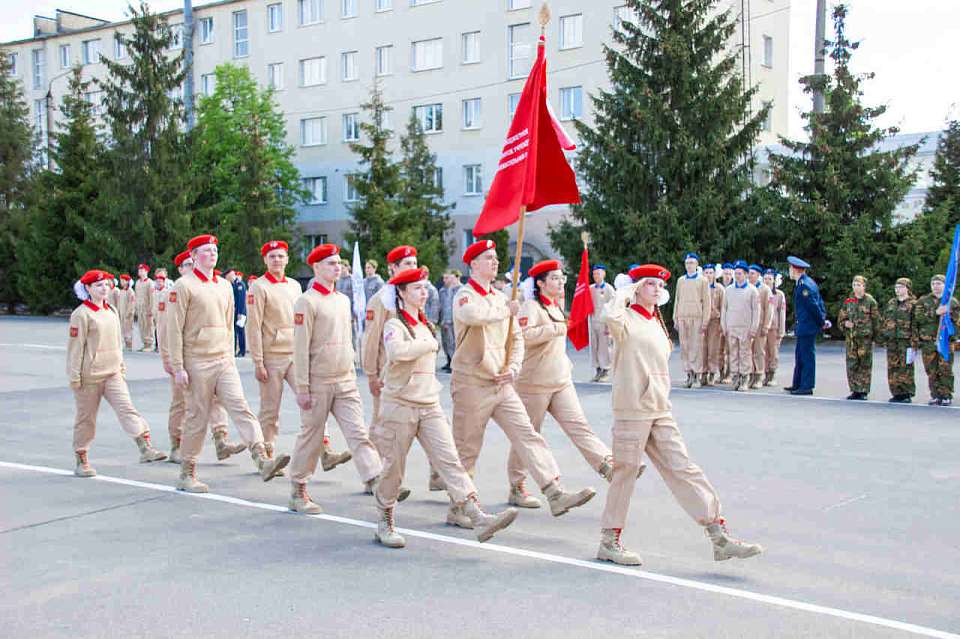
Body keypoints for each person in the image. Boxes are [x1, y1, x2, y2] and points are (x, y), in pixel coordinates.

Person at [598, 264, 762, 566]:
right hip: (632, 408)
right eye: (649, 284)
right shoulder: (626, 319)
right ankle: (610, 540)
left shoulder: (656, 321)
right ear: (635, 289)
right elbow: (608, 316)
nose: (657, 289)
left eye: (660, 285)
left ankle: (718, 534)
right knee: (625, 473)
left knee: (683, 467)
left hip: (659, 408)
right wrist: (622, 294)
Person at [449, 240, 596, 524]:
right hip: (472, 383)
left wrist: (514, 367)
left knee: (527, 434)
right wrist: (508, 310)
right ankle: (459, 506)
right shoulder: (465, 295)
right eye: (488, 258)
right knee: (467, 448)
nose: (494, 262)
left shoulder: (503, 297)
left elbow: (516, 338)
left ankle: (554, 492)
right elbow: (473, 317)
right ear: (473, 265)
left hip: (502, 382)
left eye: (495, 258)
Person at [373, 267, 518, 547]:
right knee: (394, 468)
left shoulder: (426, 325)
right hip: (400, 406)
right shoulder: (395, 326)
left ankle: (477, 515)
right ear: (401, 294)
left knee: (451, 461)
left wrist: (425, 340)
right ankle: (385, 519)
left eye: (425, 287)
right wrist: (425, 345)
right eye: (416, 288)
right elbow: (396, 352)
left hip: (429, 404)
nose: (423, 293)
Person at [167, 234, 290, 492]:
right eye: (206, 250)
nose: (212, 254)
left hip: (223, 359)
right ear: (193, 256)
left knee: (240, 407)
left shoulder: (224, 285)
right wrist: (177, 366)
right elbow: (174, 329)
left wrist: (231, 354)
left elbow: (228, 321)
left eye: (215, 250)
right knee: (197, 417)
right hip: (197, 360)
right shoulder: (183, 286)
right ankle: (187, 472)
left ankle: (262, 460)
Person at [507, 259, 624, 504]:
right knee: (529, 436)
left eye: (562, 278)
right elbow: (523, 336)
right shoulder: (531, 307)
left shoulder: (557, 304)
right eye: (554, 279)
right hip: (534, 383)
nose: (561, 283)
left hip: (560, 379)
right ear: (540, 283)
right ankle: (517, 486)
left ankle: (607, 464)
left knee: (579, 425)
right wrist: (554, 329)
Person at [289, 244, 393, 513]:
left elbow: (346, 339)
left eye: (338, 263)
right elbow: (300, 348)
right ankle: (298, 489)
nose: (337, 268)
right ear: (316, 268)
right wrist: (302, 387)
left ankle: (374, 477)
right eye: (331, 264)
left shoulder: (342, 299)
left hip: (344, 379)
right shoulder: (307, 301)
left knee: (358, 432)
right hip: (318, 381)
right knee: (311, 437)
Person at [247, 240, 352, 471]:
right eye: (272, 256)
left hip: (295, 354)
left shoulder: (295, 286)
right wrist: (258, 361)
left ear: (287, 259)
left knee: (312, 402)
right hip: (271, 357)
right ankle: (268, 455)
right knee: (270, 410)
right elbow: (253, 327)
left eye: (281, 256)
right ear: (265, 260)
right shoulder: (258, 287)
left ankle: (325, 451)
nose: (277, 260)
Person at [68, 269, 167, 477]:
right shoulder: (81, 314)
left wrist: (120, 366)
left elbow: (116, 342)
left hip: (112, 373)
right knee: (86, 419)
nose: (104, 289)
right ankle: (81, 457)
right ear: (87, 289)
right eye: (98, 286)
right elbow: (75, 348)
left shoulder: (111, 310)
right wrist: (74, 375)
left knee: (128, 410)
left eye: (106, 285)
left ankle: (145, 447)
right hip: (89, 377)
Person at [160, 250, 246, 463]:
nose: (191, 268)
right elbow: (165, 330)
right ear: (180, 270)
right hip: (181, 355)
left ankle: (221, 440)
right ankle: (177, 445)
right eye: (187, 265)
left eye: (192, 264)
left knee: (216, 399)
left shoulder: (210, 287)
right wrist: (169, 360)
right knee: (182, 404)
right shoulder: (174, 292)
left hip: (210, 356)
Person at [361, 245, 427, 491]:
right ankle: (375, 475)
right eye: (406, 264)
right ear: (392, 268)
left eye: (414, 263)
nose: (412, 268)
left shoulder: (413, 294)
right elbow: (371, 339)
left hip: (414, 375)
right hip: (386, 374)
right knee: (382, 424)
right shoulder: (381, 300)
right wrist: (371, 374)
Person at [912, 274, 959, 406]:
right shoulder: (923, 301)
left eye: (939, 284)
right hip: (928, 341)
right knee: (931, 369)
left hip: (945, 341)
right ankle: (935, 395)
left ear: (945, 285)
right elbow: (918, 318)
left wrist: (953, 337)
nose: (936, 287)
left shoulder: (952, 301)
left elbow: (956, 322)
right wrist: (935, 313)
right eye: (933, 284)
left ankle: (946, 395)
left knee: (945, 368)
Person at [784, 256, 828, 396]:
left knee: (807, 356)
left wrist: (821, 321)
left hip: (807, 326)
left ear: (795, 269)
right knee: (800, 355)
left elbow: (814, 306)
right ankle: (798, 383)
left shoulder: (804, 285)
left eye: (790, 268)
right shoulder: (804, 282)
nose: (789, 271)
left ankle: (807, 386)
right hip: (804, 325)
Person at [837, 275, 879, 400]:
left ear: (864, 286)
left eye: (859, 285)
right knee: (852, 364)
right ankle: (855, 389)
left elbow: (876, 320)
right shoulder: (849, 301)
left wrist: (876, 338)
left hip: (865, 339)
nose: (856, 287)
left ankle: (863, 390)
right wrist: (845, 324)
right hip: (851, 338)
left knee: (864, 364)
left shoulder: (870, 301)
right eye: (854, 285)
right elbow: (841, 318)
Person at [719, 261, 759, 392]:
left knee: (745, 353)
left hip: (745, 328)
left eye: (740, 273)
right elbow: (724, 309)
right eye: (735, 273)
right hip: (732, 327)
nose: (737, 276)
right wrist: (724, 325)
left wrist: (753, 328)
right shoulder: (729, 290)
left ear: (746, 274)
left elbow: (756, 311)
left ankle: (744, 378)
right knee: (733, 353)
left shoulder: (752, 290)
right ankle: (735, 377)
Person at [673, 252, 711, 388]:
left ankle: (697, 375)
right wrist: (675, 317)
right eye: (687, 263)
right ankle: (688, 373)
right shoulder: (681, 280)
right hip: (683, 317)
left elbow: (707, 302)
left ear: (697, 265)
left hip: (697, 317)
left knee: (696, 347)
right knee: (685, 346)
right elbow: (677, 300)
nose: (689, 266)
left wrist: (705, 320)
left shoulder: (703, 281)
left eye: (692, 263)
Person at [745, 265, 773, 390]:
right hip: (748, 325)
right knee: (747, 351)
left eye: (752, 273)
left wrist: (766, 326)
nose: (750, 276)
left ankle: (759, 376)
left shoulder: (765, 289)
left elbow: (769, 310)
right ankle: (750, 374)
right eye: (749, 273)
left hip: (760, 325)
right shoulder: (746, 288)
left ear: (758, 275)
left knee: (759, 351)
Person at [589, 264, 615, 382]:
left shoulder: (609, 289)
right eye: (594, 274)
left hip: (604, 323)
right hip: (593, 321)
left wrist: (610, 325)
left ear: (604, 274)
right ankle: (598, 370)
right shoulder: (591, 289)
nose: (596, 276)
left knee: (604, 347)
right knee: (594, 346)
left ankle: (605, 370)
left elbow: (613, 307)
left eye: (598, 273)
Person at [762, 269, 787, 386]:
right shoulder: (761, 292)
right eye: (765, 279)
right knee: (763, 351)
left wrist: (781, 331)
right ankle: (765, 373)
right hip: (762, 327)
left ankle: (772, 374)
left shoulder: (779, 294)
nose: (767, 281)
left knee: (773, 352)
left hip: (774, 328)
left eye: (770, 279)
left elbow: (782, 313)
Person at [701, 264, 724, 386]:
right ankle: (703, 373)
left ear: (715, 274)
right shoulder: (700, 286)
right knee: (702, 348)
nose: (708, 275)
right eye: (706, 272)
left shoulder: (719, 288)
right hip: (702, 321)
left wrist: (722, 323)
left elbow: (724, 307)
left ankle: (712, 373)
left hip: (715, 322)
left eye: (711, 272)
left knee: (713, 349)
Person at [438, 270, 462, 373]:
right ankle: (449, 361)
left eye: (449, 278)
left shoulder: (461, 290)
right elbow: (442, 306)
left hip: (454, 321)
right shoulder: (444, 290)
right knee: (446, 343)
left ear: (457, 277)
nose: (446, 280)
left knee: (454, 344)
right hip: (445, 320)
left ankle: (455, 364)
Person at [224, 268, 247, 357]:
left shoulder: (240, 285)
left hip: (239, 313)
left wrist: (240, 313)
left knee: (240, 332)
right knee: (233, 331)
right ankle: (233, 350)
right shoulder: (232, 285)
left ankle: (242, 351)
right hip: (233, 312)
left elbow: (241, 301)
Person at [718, 262, 735, 382]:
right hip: (718, 323)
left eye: (729, 274)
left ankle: (730, 373)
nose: (727, 276)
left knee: (730, 350)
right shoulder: (718, 287)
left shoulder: (734, 288)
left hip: (731, 323)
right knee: (719, 350)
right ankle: (721, 372)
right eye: (725, 273)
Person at [134, 263, 156, 352]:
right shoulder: (137, 282)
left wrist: (152, 309)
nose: (140, 272)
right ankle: (144, 343)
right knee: (141, 325)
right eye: (139, 270)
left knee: (148, 326)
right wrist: (135, 307)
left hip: (147, 308)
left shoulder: (150, 282)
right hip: (140, 308)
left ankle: (150, 344)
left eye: (142, 270)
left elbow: (152, 297)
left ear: (146, 271)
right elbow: (136, 295)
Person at [115, 274, 136, 350]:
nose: (121, 282)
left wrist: (129, 313)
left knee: (128, 329)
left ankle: (129, 345)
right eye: (121, 281)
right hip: (121, 313)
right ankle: (125, 344)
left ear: (127, 281)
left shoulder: (130, 292)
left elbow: (132, 303)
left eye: (123, 281)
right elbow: (119, 303)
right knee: (122, 329)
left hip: (128, 314)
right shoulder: (121, 291)